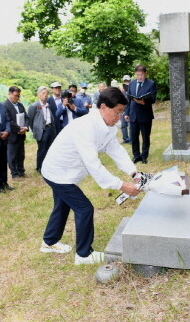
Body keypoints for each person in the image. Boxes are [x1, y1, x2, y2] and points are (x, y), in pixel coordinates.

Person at [40, 87, 141, 265]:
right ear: (103, 107)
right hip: (58, 172)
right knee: (84, 208)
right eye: (116, 112)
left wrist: (134, 172)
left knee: (62, 206)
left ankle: (49, 242)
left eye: (121, 113)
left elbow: (116, 151)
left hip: (65, 172)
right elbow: (93, 164)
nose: (118, 117)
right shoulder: (85, 127)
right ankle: (84, 255)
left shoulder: (107, 126)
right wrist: (121, 185)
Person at [125, 65, 157, 164]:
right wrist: (127, 113)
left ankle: (144, 156)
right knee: (134, 137)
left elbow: (153, 98)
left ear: (145, 74)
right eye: (138, 75)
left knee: (145, 137)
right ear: (135, 74)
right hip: (133, 114)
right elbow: (129, 100)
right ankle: (136, 156)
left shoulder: (151, 83)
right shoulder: (132, 83)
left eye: (142, 75)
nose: (140, 77)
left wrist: (144, 102)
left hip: (145, 114)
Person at [28, 86, 57, 173]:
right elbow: (30, 120)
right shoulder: (34, 106)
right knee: (42, 149)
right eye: (43, 93)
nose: (45, 95)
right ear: (38, 95)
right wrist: (36, 130)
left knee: (50, 149)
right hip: (42, 130)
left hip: (50, 128)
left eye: (46, 93)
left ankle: (49, 166)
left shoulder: (48, 105)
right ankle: (39, 167)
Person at [4, 86, 29, 178]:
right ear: (9, 94)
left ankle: (21, 171)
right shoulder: (5, 105)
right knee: (12, 155)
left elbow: (26, 117)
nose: (17, 98)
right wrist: (19, 129)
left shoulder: (20, 105)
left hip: (21, 134)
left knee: (21, 154)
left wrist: (25, 127)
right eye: (15, 96)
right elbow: (8, 121)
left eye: (18, 96)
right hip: (12, 135)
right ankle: (14, 174)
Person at [120, 75, 131, 144]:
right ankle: (125, 139)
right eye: (125, 81)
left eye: (127, 81)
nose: (126, 82)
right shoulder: (121, 92)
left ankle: (131, 139)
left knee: (130, 126)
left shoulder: (132, 89)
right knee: (123, 126)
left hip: (130, 109)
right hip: (123, 111)